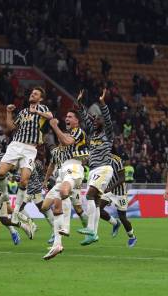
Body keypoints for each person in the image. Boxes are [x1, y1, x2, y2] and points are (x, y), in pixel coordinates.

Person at [0, 87, 52, 226]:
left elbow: (51, 116)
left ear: (40, 98)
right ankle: (4, 195)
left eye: (36, 94)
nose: (32, 95)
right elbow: (11, 127)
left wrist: (37, 111)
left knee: (24, 181)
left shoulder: (43, 108)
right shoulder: (22, 112)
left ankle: (16, 212)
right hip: (16, 145)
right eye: (32, 93)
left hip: (30, 148)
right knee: (1, 173)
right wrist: (8, 112)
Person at [42, 107, 89, 260]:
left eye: (70, 116)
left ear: (76, 120)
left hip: (74, 167)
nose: (67, 119)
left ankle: (67, 227)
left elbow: (67, 141)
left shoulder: (78, 131)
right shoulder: (60, 147)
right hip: (63, 171)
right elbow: (52, 163)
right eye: (66, 116)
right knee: (54, 206)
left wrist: (54, 126)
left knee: (64, 193)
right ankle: (57, 244)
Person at [76, 88, 114, 246]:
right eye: (95, 119)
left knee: (89, 196)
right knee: (96, 202)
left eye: (98, 119)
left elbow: (107, 116)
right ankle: (94, 235)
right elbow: (85, 117)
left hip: (104, 168)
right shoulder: (92, 134)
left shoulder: (108, 133)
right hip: (93, 170)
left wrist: (102, 102)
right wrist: (79, 103)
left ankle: (90, 229)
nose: (95, 120)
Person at [99, 153, 137, 247]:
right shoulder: (100, 158)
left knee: (123, 217)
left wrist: (110, 188)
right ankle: (115, 223)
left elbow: (122, 178)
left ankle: (132, 237)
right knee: (98, 209)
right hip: (109, 191)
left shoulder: (116, 160)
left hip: (120, 193)